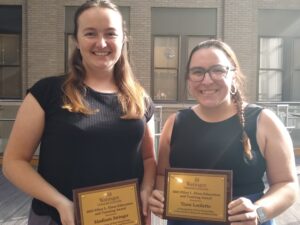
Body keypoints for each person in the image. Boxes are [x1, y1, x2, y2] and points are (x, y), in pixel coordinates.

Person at [2, 0, 156, 225]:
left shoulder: (140, 99)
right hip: (59, 219)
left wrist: (146, 189)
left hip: (124, 218)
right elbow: (14, 162)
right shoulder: (47, 92)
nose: (101, 43)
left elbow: (149, 158)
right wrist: (60, 203)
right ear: (77, 40)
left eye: (111, 34)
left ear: (123, 39)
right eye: (90, 33)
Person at [148, 39, 299, 225]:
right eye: (198, 72)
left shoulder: (264, 121)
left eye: (217, 70)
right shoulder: (175, 123)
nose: (207, 80)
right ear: (189, 79)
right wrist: (161, 197)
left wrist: (259, 212)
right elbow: (163, 176)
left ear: (233, 74)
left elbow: (288, 185)